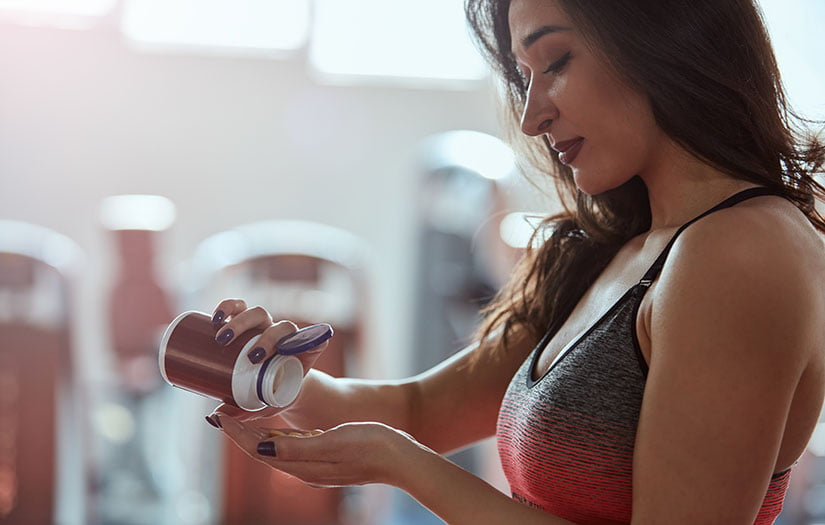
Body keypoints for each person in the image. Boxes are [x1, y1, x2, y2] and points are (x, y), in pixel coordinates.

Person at [202, 0, 825, 523]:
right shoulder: (613, 253)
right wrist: (268, 376)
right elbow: (419, 410)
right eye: (524, 76)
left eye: (554, 61)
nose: (532, 118)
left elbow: (407, 439)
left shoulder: (742, 250)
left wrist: (404, 466)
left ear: (656, 31)